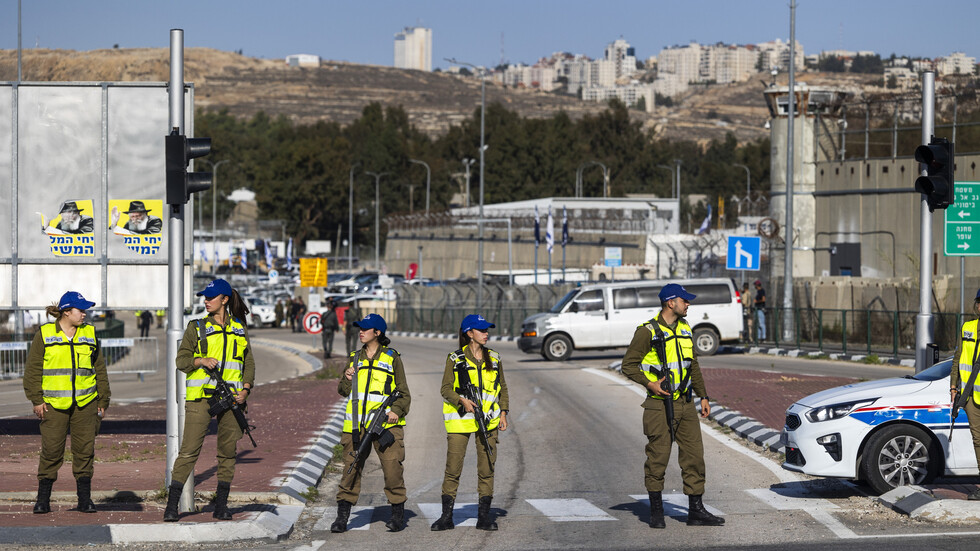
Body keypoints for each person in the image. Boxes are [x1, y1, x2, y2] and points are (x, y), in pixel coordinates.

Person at [620, 283, 724, 528]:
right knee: (658, 458)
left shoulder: (686, 328)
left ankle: (696, 511)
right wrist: (650, 384)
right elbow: (628, 365)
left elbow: (693, 364)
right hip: (658, 405)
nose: (688, 304)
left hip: (686, 404)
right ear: (671, 302)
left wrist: (703, 395)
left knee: (694, 458)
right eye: (684, 300)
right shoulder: (647, 332)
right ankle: (656, 512)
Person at [164, 278, 255, 522]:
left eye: (211, 297)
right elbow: (181, 360)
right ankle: (171, 506)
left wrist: (246, 389)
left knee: (227, 453)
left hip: (232, 399)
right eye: (204, 297)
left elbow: (248, 363)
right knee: (188, 452)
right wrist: (200, 361)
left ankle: (221, 505)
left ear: (224, 300)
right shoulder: (196, 327)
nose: (206, 301)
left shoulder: (239, 328)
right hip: (201, 398)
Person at [23, 291, 110, 514]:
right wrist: (36, 400)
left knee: (85, 452)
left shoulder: (89, 333)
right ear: (67, 312)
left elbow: (99, 369)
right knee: (51, 451)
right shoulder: (44, 334)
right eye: (81, 310)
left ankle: (84, 500)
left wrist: (103, 399)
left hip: (86, 403)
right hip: (53, 405)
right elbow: (33, 370)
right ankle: (43, 500)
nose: (84, 314)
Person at [330, 314, 411, 533]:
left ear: (378, 333)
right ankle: (342, 517)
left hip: (385, 424)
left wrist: (395, 411)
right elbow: (342, 390)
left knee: (392, 469)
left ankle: (397, 514)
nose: (361, 332)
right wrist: (347, 378)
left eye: (365, 329)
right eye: (360, 328)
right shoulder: (354, 357)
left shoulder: (392, 358)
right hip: (356, 425)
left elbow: (404, 393)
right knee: (350, 469)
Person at [430, 314, 509, 532]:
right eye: (481, 330)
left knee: (487, 469)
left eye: (487, 330)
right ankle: (446, 517)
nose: (486, 333)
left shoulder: (495, 358)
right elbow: (445, 389)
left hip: (488, 422)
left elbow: (502, 387)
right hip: (460, 421)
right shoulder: (455, 359)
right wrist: (461, 400)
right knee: (453, 469)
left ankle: (483, 518)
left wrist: (503, 413)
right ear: (469, 333)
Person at [951, 289, 980, 500]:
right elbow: (957, 358)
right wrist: (954, 387)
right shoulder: (967, 328)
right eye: (979, 302)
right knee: (978, 440)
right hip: (971, 396)